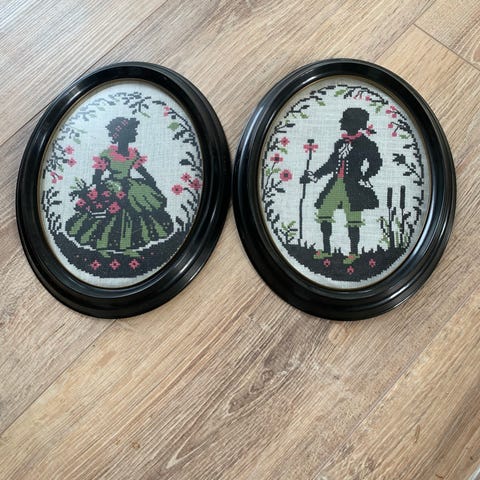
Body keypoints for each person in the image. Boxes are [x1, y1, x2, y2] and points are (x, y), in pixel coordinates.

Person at [66, 117, 173, 256]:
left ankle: (127, 245)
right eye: (132, 130)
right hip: (113, 185)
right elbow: (97, 176)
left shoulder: (133, 154)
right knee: (112, 213)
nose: (135, 133)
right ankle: (102, 245)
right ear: (122, 133)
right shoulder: (108, 154)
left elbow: (142, 171)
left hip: (130, 185)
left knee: (131, 212)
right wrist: (99, 189)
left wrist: (151, 182)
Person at [300, 108, 382, 264]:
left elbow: (376, 161)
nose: (341, 124)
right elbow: (331, 164)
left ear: (354, 124)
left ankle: (354, 252)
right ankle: (326, 250)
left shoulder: (366, 144)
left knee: (353, 217)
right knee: (324, 211)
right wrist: (315, 175)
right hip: (336, 183)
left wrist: (366, 176)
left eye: (345, 121)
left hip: (353, 185)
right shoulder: (339, 144)